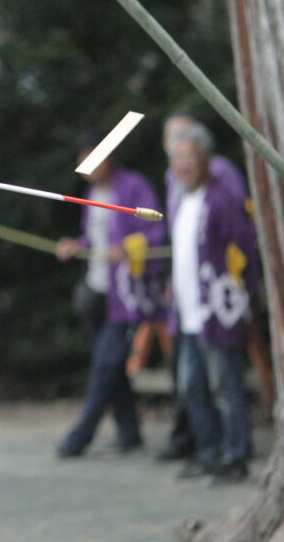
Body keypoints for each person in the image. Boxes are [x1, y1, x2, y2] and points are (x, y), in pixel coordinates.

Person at [54, 132, 166, 458]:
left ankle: (79, 438)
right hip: (97, 291)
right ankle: (129, 431)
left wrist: (129, 250)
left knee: (105, 365)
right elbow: (93, 239)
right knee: (111, 365)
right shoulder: (91, 194)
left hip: (126, 295)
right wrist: (76, 246)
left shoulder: (133, 187)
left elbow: (157, 230)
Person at [167, 122, 259, 485]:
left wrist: (238, 293)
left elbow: (243, 249)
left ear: (207, 159)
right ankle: (207, 453)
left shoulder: (221, 199)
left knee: (226, 386)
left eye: (189, 157)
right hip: (188, 311)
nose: (183, 165)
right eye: (176, 158)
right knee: (191, 386)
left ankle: (235, 456)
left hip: (217, 310)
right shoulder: (181, 198)